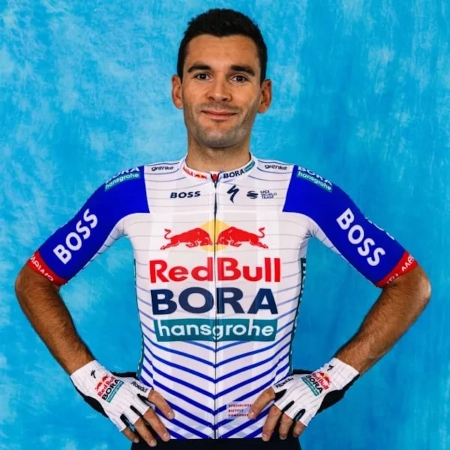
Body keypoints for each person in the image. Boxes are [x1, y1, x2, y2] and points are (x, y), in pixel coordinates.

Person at [15, 7, 431, 450]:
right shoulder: (131, 192)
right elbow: (34, 281)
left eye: (238, 76)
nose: (219, 93)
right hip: (162, 434)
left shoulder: (303, 193)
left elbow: (410, 284)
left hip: (265, 435)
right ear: (178, 91)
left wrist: (328, 380)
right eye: (202, 75)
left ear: (264, 94)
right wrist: (97, 383)